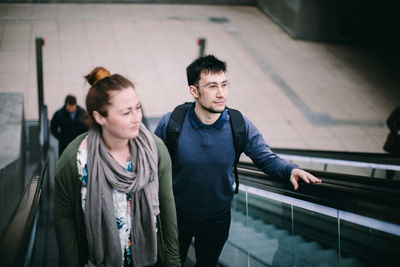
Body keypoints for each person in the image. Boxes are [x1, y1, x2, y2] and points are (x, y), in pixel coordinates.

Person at [154, 55, 322, 266]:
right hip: (176, 216)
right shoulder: (172, 123)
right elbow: (152, 164)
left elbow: (265, 157)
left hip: (217, 218)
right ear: (194, 91)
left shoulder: (238, 125)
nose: (221, 93)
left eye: (224, 84)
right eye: (212, 86)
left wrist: (290, 170)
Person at [54, 67, 181, 267]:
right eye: (126, 112)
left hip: (150, 259)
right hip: (97, 259)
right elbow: (64, 216)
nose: (136, 118)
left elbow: (167, 206)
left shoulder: (155, 150)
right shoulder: (76, 159)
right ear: (99, 117)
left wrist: (173, 262)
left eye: (138, 108)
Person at [384, 106, 400, 179]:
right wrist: (397, 131)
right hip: (397, 142)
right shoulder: (399, 109)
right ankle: (389, 179)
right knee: (392, 161)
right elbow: (389, 121)